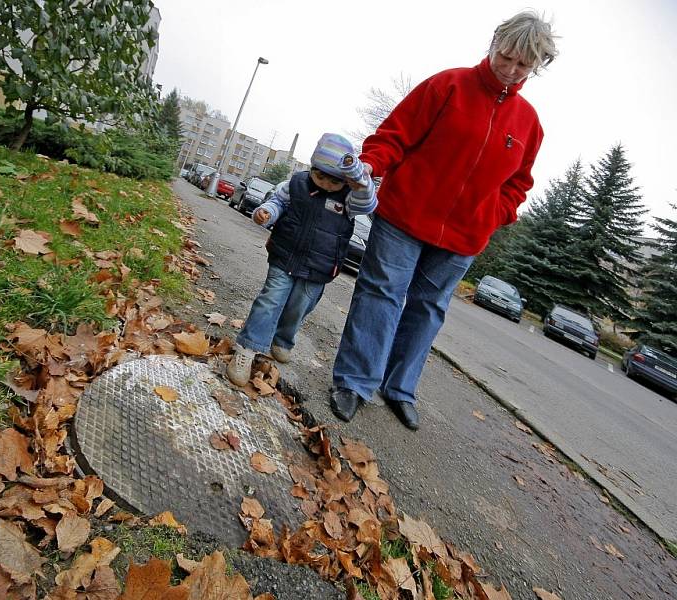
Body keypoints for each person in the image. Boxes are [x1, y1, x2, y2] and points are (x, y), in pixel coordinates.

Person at [330, 11, 558, 429]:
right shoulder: (448, 84)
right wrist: (367, 168)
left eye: (522, 65)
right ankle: (354, 382)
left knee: (429, 308)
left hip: (464, 237)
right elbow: (393, 136)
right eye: (505, 57)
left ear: (536, 66)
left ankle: (399, 387)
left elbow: (519, 185)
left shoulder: (530, 123)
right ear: (494, 43)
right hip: (403, 216)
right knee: (381, 295)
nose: (509, 70)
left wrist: (494, 215)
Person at [227, 133, 377, 387]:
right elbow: (277, 202)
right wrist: (266, 213)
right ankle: (247, 349)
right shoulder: (295, 184)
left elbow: (368, 203)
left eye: (335, 181)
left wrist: (359, 178)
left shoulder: (350, 198)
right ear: (312, 168)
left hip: (320, 266)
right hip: (285, 255)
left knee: (299, 307)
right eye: (320, 177)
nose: (327, 185)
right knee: (270, 300)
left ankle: (282, 339)